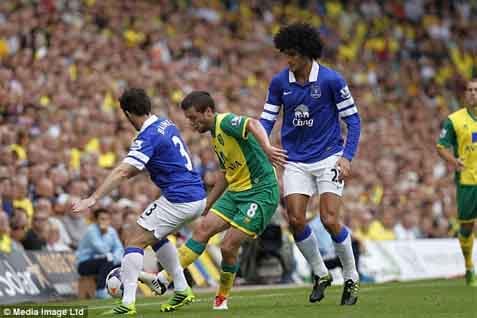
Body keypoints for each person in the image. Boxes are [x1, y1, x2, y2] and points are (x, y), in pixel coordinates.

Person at [72, 88, 207, 314]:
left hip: (180, 197)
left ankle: (127, 303)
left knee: (134, 238)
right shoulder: (165, 124)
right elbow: (138, 167)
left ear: (127, 113)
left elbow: (123, 172)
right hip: (196, 195)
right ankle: (182, 288)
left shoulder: (147, 136)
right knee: (155, 235)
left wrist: (93, 198)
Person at [148, 91, 286, 311]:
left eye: (193, 118)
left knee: (228, 246)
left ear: (209, 112)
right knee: (202, 229)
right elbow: (225, 172)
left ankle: (222, 296)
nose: (191, 123)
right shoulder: (214, 136)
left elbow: (252, 123)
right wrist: (209, 203)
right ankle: (164, 278)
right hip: (235, 192)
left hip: (260, 193)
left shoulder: (225, 122)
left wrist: (267, 148)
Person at [259, 23, 361, 305]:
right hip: (295, 160)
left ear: (306, 53)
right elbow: (266, 119)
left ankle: (351, 277)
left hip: (329, 156)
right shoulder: (280, 82)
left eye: (292, 54)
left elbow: (353, 121)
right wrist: (264, 146)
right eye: (285, 54)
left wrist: (346, 156)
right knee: (295, 219)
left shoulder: (331, 80)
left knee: (329, 219)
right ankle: (320, 273)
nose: (288, 60)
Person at [437, 78, 477, 287]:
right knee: (467, 227)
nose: (473, 93)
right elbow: (441, 146)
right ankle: (469, 266)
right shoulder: (454, 120)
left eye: (476, 90)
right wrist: (454, 161)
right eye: (469, 90)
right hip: (467, 182)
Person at [76, 208, 123, 298]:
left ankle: (119, 289)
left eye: (107, 219)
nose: (105, 221)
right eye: (102, 219)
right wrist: (104, 233)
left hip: (104, 262)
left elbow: (119, 248)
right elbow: (101, 249)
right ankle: (101, 290)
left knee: (120, 263)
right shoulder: (91, 231)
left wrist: (115, 257)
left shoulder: (112, 231)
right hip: (84, 263)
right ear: (96, 220)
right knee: (107, 260)